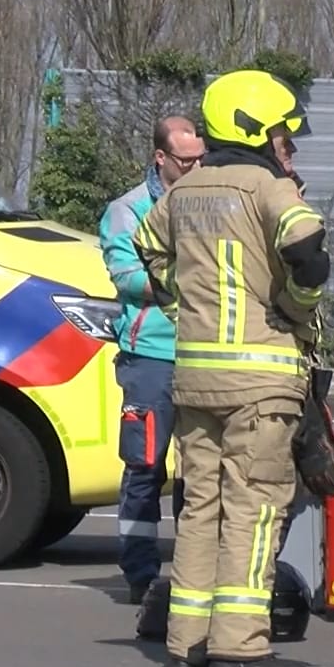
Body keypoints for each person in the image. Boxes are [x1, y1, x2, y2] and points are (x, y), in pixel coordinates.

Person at [132, 71, 329, 667]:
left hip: (195, 378)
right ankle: (240, 647)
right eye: (280, 131)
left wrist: (180, 308)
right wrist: (295, 306)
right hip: (260, 381)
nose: (284, 143)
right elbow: (310, 248)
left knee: (200, 510)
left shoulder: (184, 191)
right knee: (255, 509)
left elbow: (147, 247)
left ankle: (187, 641)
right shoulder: (267, 187)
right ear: (257, 130)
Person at [101, 114, 205, 605]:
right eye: (185, 161)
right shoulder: (127, 210)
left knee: (200, 470)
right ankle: (141, 575)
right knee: (144, 467)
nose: (194, 167)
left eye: (199, 158)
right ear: (160, 158)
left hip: (205, 355)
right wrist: (188, 284)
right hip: (151, 358)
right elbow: (125, 278)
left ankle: (193, 569)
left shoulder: (210, 201)